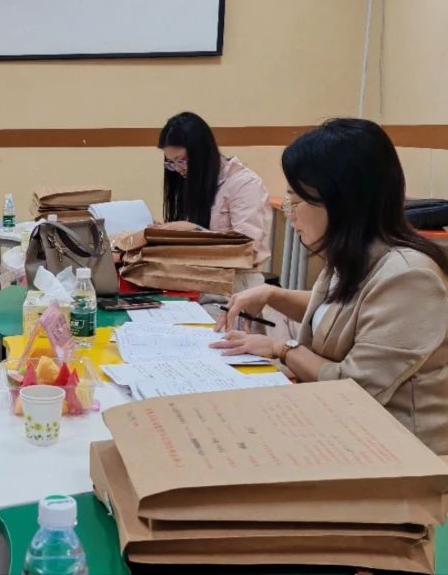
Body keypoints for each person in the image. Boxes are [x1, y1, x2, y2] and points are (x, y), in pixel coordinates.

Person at [212, 118, 448, 454]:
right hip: (344, 427)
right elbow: (342, 311)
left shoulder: (410, 277)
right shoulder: (356, 255)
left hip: (401, 450)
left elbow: (355, 389)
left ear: (342, 200)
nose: (290, 214)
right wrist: (272, 294)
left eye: (296, 201)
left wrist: (282, 347)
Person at [158, 111, 272, 288]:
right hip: (200, 278)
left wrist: (194, 231)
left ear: (202, 153)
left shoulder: (244, 184)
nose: (178, 169)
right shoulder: (194, 182)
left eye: (181, 160)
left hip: (236, 283)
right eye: (171, 163)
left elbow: (247, 249)